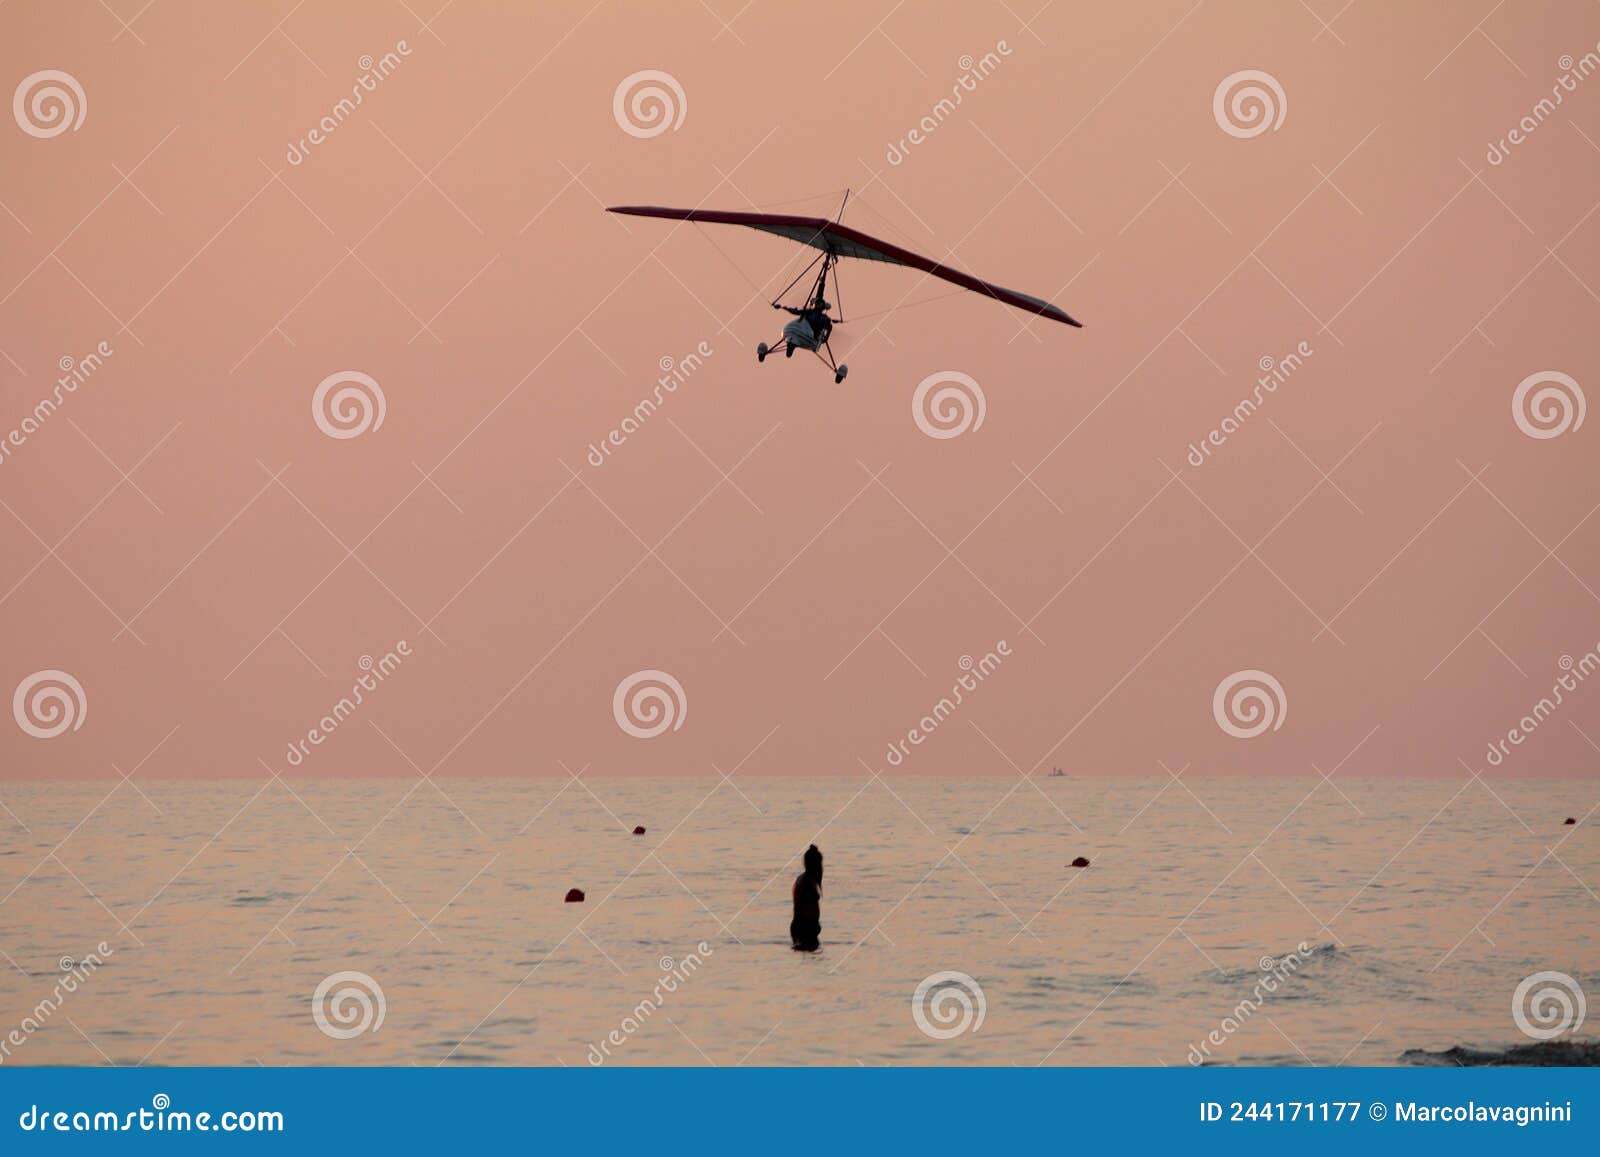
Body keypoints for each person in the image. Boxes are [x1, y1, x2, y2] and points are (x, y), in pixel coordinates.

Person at [790, 844, 823, 951]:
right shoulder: (807, 882)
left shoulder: (802, 879)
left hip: (800, 926)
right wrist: (814, 926)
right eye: (820, 864)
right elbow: (806, 907)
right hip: (805, 928)